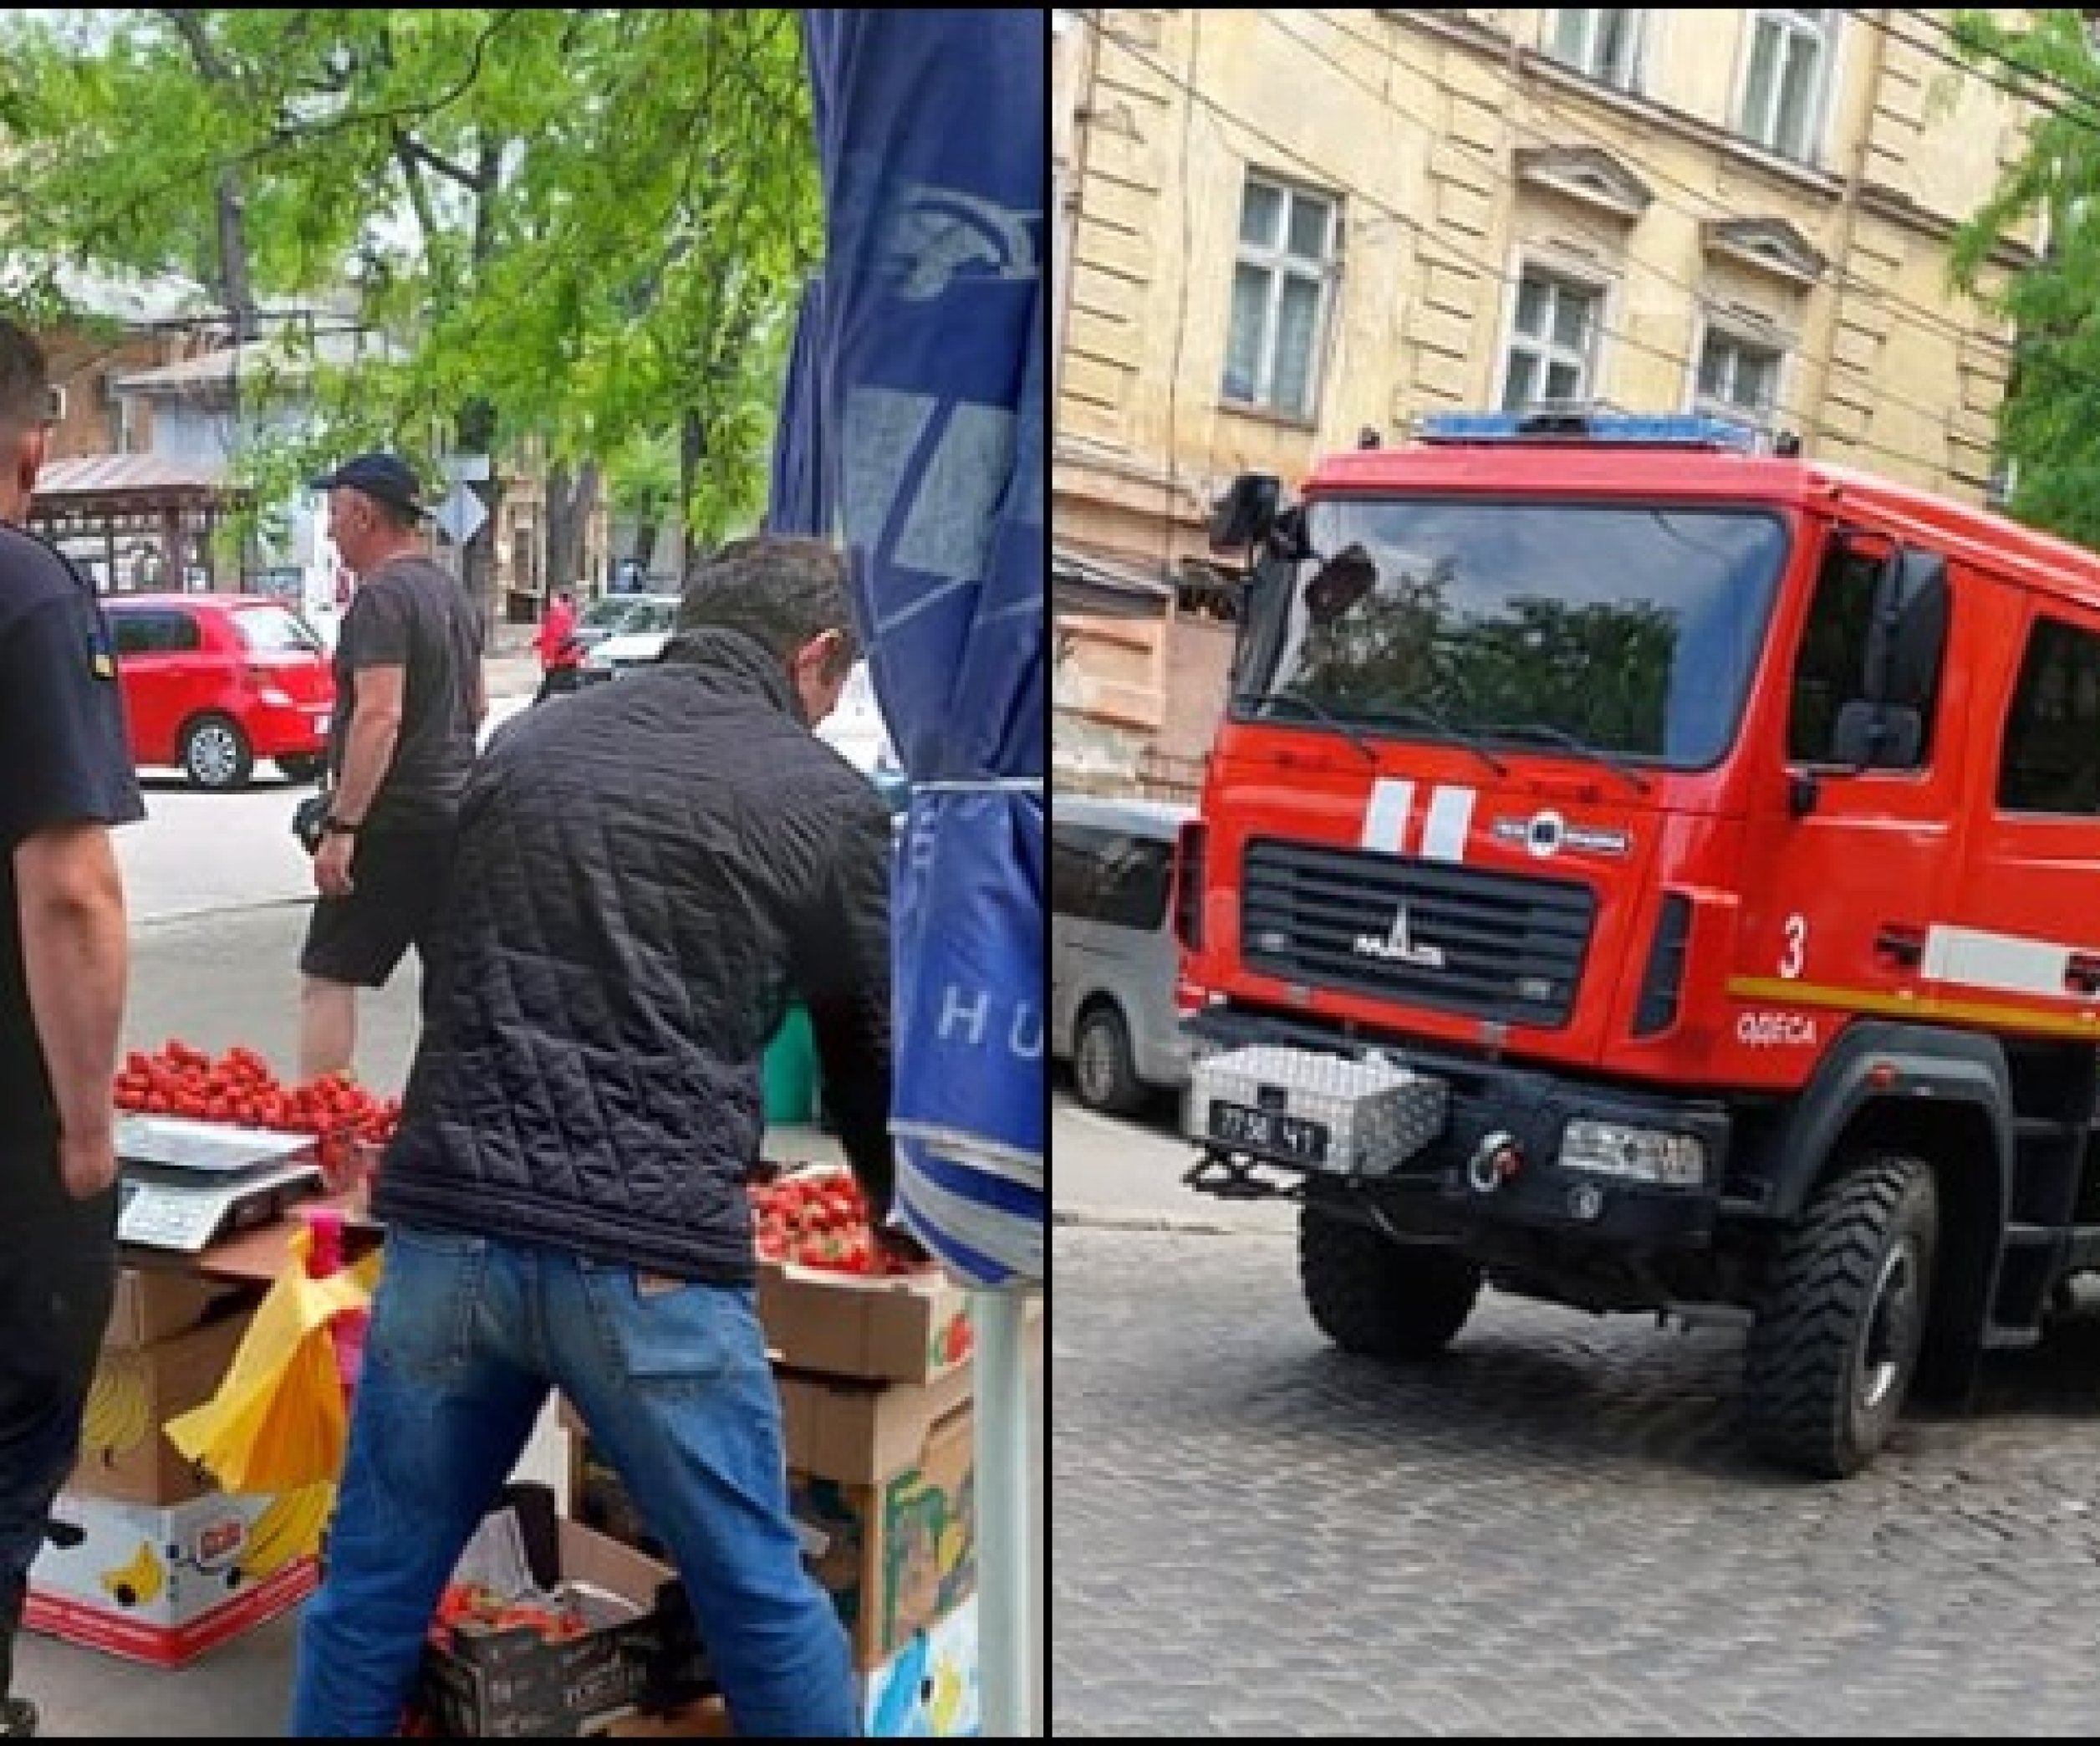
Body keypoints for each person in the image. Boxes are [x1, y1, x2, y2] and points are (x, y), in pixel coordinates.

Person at [289, 535, 916, 1738]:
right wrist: (890, 1213)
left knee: (367, 1595)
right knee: (761, 1600)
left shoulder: (528, 743)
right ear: (816, 656)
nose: (833, 706)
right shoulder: (826, 800)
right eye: (840, 682)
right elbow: (864, 1053)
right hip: (652, 1255)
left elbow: (454, 961)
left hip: (452, 1234)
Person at [0, 318, 144, 1739]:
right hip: (8, 1139)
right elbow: (70, 890)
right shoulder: (28, 591)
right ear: (33, 437)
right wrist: (91, 1127)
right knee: (13, 1430)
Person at [298, 452, 487, 1085]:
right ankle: (454, 1128)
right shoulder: (450, 594)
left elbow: (379, 714)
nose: (330, 532)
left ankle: (327, 1127)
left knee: (329, 974)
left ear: (363, 514)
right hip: (457, 816)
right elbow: (478, 703)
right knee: (454, 990)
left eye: (334, 515)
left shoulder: (381, 599)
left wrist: (344, 825)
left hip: (392, 820)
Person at [531, 586, 583, 704]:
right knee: (561, 682)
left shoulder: (558, 612)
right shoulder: (568, 613)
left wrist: (540, 644)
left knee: (551, 684)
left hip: (559, 656)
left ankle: (538, 706)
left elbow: (554, 634)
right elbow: (556, 633)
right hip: (565, 656)